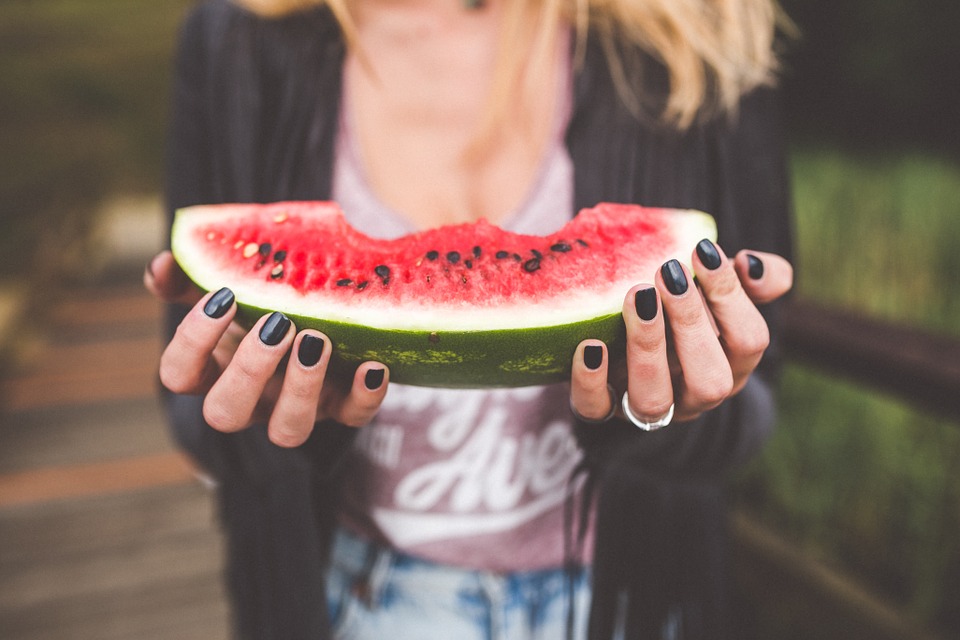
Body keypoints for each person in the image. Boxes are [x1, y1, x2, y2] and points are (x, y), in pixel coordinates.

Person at [144, 0, 794, 638]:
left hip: (636, 599)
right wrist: (278, 420)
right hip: (360, 597)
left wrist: (653, 414)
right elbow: (192, 408)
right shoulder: (237, 38)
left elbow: (756, 408)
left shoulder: (696, 29)